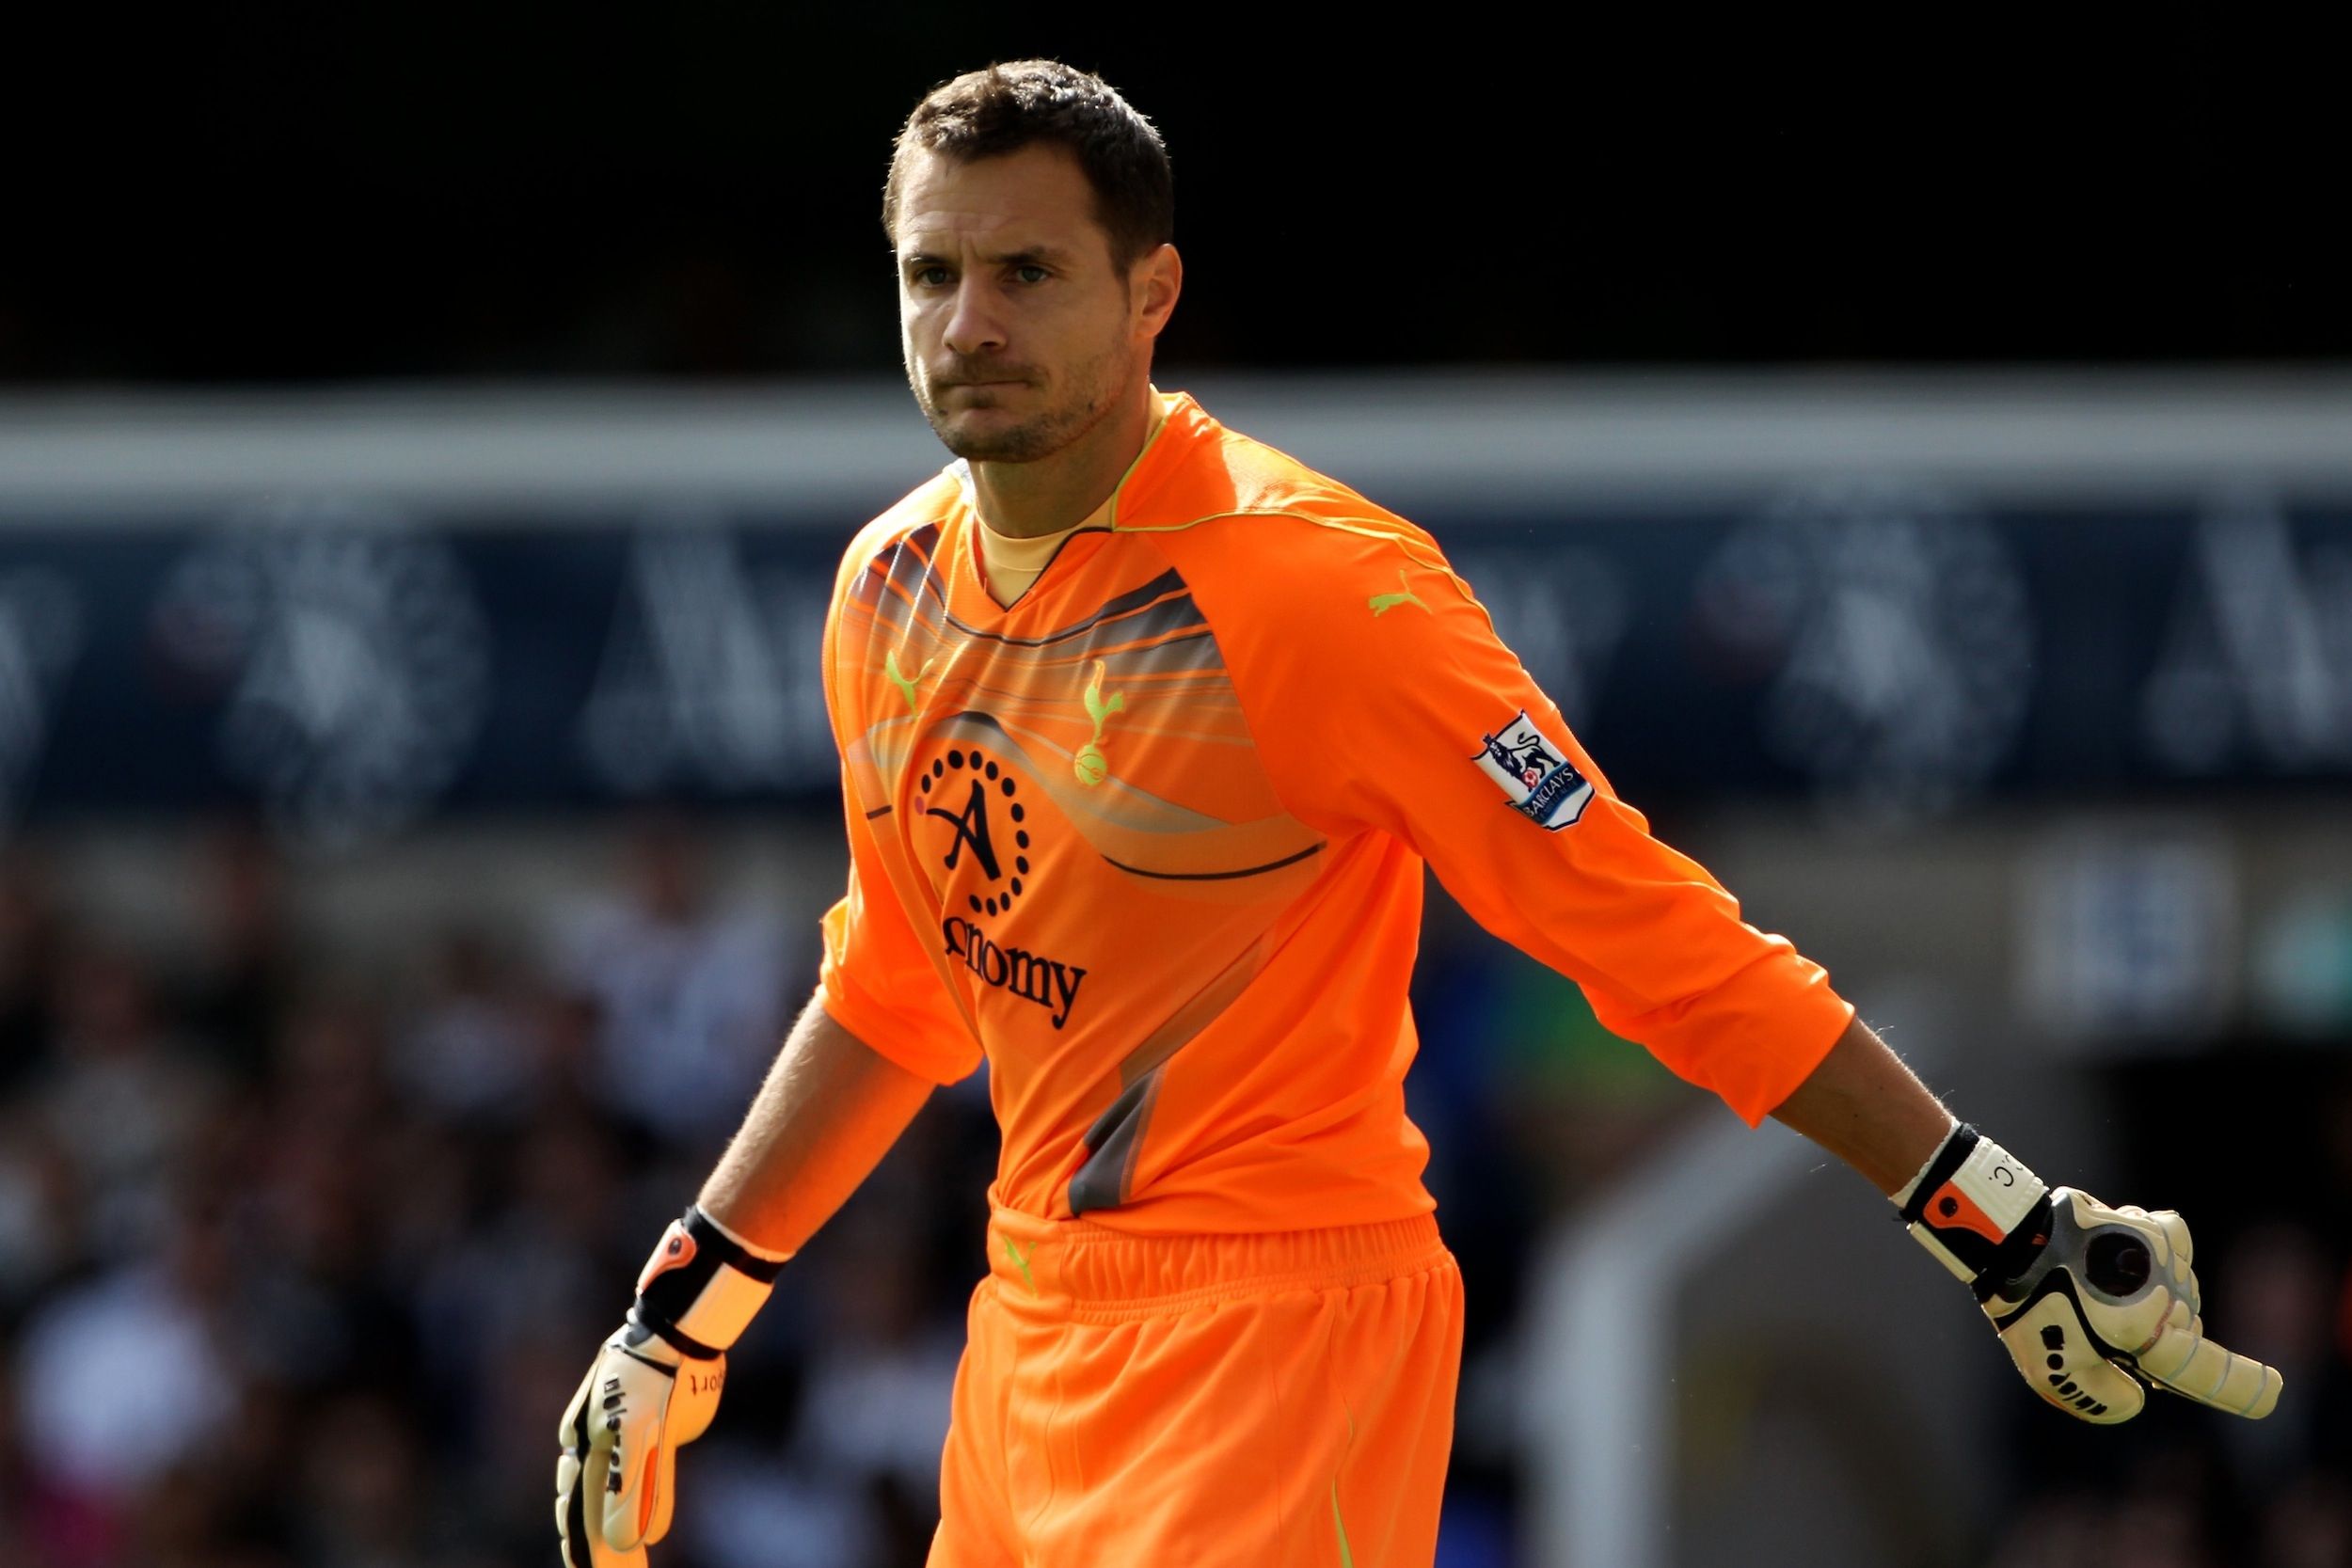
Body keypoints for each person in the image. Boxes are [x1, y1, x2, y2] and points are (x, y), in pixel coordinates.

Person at [556, 60, 2281, 1568]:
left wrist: (1989, 1214)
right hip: (1026, 1343)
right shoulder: (889, 587)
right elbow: (902, 988)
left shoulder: (1324, 594)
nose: (969, 324)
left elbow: (1641, 925)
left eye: (1027, 272)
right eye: (932, 274)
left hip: (1280, 1337)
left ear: (1152, 292)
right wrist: (681, 1310)